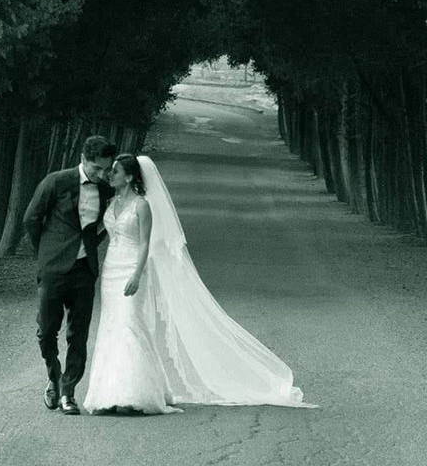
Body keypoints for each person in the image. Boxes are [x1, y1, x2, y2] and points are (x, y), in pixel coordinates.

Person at [79, 153, 314, 415]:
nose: (110, 175)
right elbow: (102, 231)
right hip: (111, 269)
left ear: (131, 176)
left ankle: (134, 394)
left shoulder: (142, 205)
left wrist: (136, 273)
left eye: (116, 171)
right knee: (112, 326)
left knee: (131, 324)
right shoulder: (112, 202)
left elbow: (145, 242)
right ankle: (108, 392)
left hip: (132, 268)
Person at [23, 134, 118, 415]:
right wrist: (45, 253)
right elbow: (31, 218)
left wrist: (93, 244)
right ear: (83, 160)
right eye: (96, 169)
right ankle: (53, 376)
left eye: (106, 169)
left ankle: (68, 392)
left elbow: (106, 221)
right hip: (53, 268)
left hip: (84, 271)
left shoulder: (105, 189)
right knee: (47, 330)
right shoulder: (56, 182)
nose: (101, 175)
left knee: (78, 334)